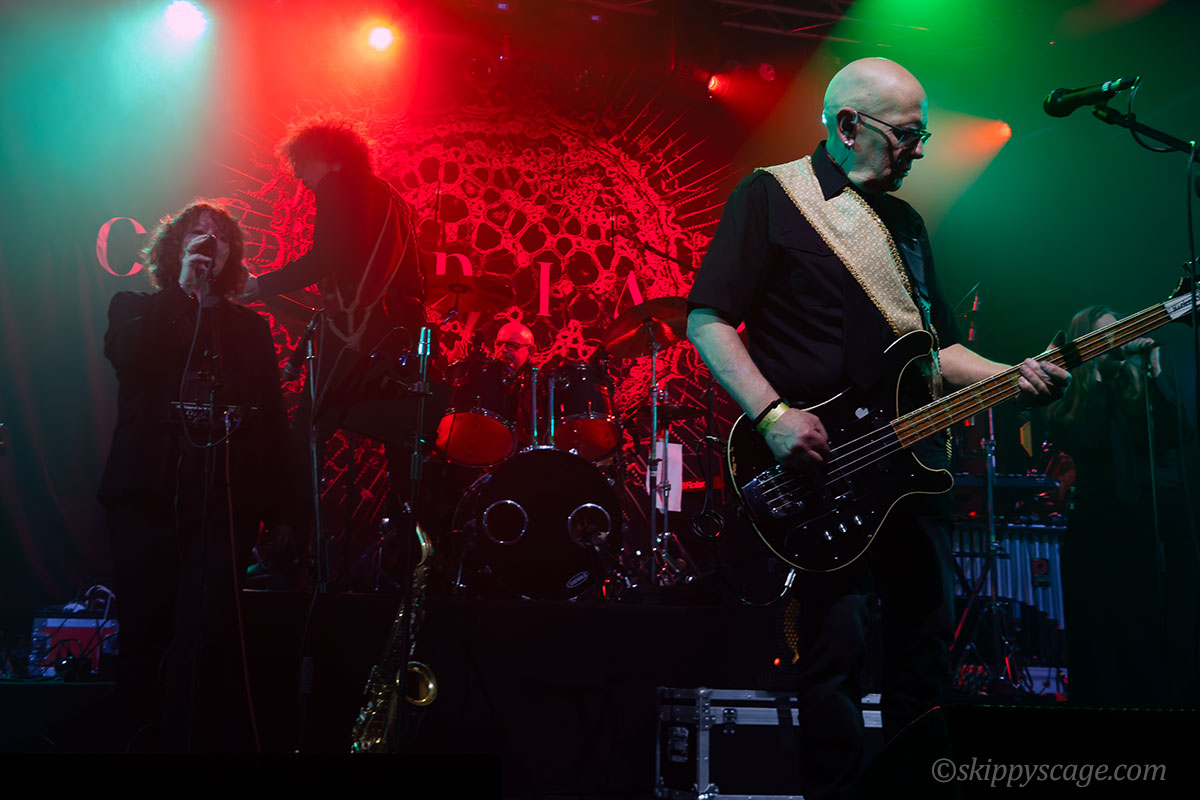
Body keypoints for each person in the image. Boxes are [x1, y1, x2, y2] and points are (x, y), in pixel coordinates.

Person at [686, 57, 1070, 798]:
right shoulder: (772, 195)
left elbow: (938, 350)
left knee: (923, 659)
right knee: (833, 658)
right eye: (905, 135)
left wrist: (1014, 376)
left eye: (923, 134)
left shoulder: (908, 225)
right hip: (821, 476)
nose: (919, 150)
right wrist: (770, 414)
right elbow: (708, 320)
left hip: (912, 473)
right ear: (847, 125)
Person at [98, 201, 295, 752]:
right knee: (143, 636)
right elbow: (130, 357)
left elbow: (271, 419)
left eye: (220, 237)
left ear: (233, 255)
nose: (210, 242)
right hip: (146, 497)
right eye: (198, 234)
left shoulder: (249, 328)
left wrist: (283, 510)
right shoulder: (134, 307)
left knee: (204, 638)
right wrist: (184, 290)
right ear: (174, 249)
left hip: (220, 501)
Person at [238, 115, 428, 586]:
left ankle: (286, 554)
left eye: (301, 165)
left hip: (352, 338)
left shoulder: (338, 186)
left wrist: (261, 285)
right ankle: (410, 561)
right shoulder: (392, 197)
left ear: (324, 155)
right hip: (397, 342)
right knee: (402, 452)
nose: (301, 179)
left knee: (306, 438)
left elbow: (327, 257)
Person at [1044, 305, 1199, 709]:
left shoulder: (1142, 384)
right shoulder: (1070, 397)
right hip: (1101, 527)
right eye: (1105, 336)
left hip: (1159, 523)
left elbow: (1181, 432)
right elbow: (1083, 438)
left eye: (1121, 331)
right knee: (1106, 639)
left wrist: (1156, 370)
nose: (1119, 341)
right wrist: (1095, 372)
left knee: (1167, 634)